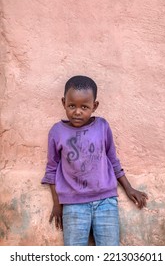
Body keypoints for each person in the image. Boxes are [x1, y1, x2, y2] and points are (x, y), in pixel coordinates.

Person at [41, 75, 148, 246]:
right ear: (63, 103)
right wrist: (57, 204)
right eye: (71, 106)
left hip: (105, 201)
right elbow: (52, 169)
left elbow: (112, 159)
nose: (77, 111)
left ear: (94, 106)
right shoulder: (57, 132)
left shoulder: (102, 127)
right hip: (73, 204)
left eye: (84, 107)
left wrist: (129, 188)